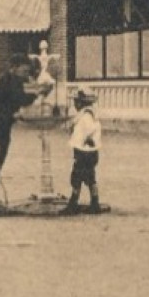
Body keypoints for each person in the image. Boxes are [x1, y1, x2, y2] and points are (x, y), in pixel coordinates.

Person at [0, 54, 45, 191]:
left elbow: (21, 99)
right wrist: (36, 94)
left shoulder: (14, 80)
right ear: (14, 68)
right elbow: (17, 100)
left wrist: (35, 93)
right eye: (24, 71)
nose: (26, 75)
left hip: (5, 124)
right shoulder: (6, 81)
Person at [64, 87, 103, 215]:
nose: (75, 104)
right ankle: (94, 202)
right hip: (88, 151)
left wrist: (88, 138)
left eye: (76, 101)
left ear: (81, 102)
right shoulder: (89, 114)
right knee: (89, 176)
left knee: (78, 176)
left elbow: (90, 129)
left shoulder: (86, 115)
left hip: (85, 151)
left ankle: (74, 203)